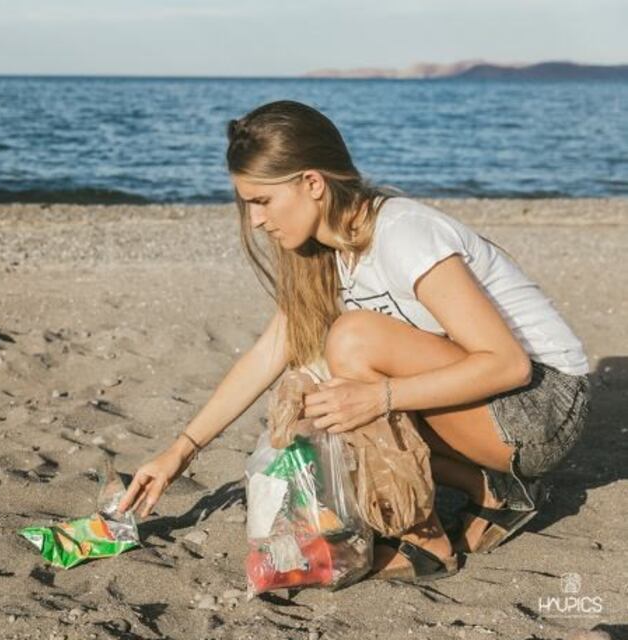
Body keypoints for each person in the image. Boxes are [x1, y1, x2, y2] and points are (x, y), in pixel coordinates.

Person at [116, 99, 592, 582]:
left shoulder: (403, 232)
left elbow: (510, 366)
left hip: (542, 406)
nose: (256, 220)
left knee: (352, 342)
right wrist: (180, 451)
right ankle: (492, 490)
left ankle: (424, 540)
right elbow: (267, 355)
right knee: (319, 395)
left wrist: (378, 396)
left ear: (313, 184)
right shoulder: (317, 253)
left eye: (262, 201)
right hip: (487, 405)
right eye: (248, 204)